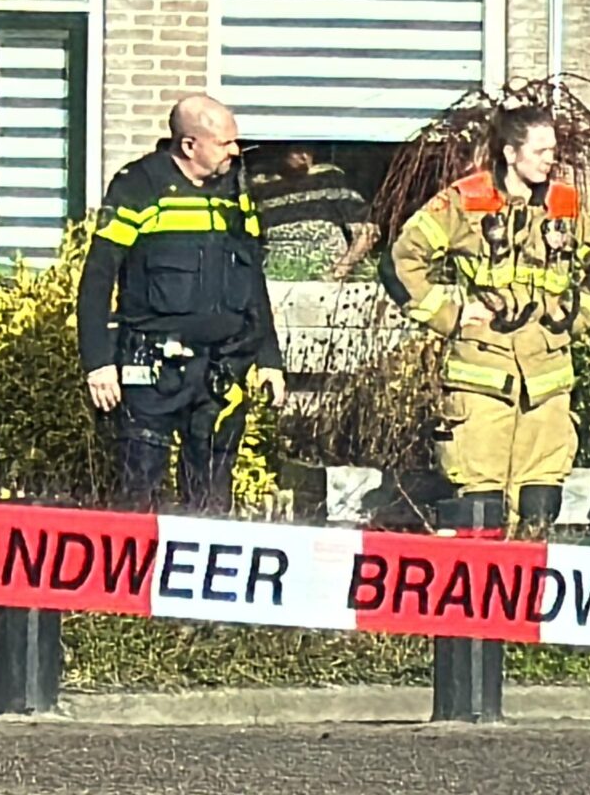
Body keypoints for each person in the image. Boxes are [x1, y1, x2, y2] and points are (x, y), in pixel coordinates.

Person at [386, 103, 590, 535]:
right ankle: (479, 599)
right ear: (510, 153)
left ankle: (527, 599)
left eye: (553, 150)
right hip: (482, 379)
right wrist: (451, 314)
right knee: (481, 509)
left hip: (547, 382)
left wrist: (579, 317)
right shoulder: (466, 201)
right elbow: (401, 261)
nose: (550, 160)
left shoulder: (566, 205)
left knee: (540, 503)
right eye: (540, 151)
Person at [78, 95, 290, 513]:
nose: (236, 150)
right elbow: (98, 277)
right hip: (152, 370)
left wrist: (269, 358)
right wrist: (98, 362)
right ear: (190, 145)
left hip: (221, 369)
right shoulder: (139, 186)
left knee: (212, 498)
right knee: (140, 493)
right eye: (225, 142)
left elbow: (251, 279)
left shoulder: (235, 191)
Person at [250, 145, 380, 282]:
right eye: (297, 149)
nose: (304, 157)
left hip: (325, 280)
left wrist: (341, 270)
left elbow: (367, 232)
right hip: (274, 280)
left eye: (308, 149)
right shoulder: (261, 186)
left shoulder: (330, 180)